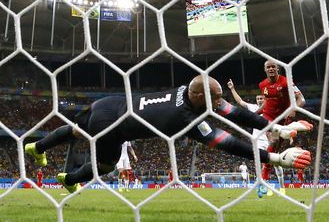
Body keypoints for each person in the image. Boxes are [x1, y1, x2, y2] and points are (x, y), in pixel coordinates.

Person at [24, 75, 312, 194]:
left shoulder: (187, 93)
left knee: (75, 130)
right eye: (216, 99)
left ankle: (37, 147)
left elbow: (235, 113)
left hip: (111, 104)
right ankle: (70, 179)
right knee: (107, 166)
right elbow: (230, 143)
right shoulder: (183, 117)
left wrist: (276, 127)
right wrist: (275, 158)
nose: (220, 104)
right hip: (114, 125)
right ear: (200, 97)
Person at [227, 78, 287, 195]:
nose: (259, 100)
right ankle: (264, 187)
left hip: (271, 141)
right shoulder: (253, 108)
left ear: (265, 99)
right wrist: (232, 88)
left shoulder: (271, 109)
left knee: (277, 166)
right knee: (260, 166)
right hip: (258, 141)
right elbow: (240, 102)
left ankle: (282, 187)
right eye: (258, 99)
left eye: (261, 98)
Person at [257, 60, 307, 195]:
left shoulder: (287, 82)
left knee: (274, 151)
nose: (271, 69)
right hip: (268, 117)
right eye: (268, 67)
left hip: (284, 119)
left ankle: (265, 175)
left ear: (278, 69)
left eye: (273, 66)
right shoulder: (262, 85)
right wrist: (255, 114)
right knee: (273, 142)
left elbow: (301, 99)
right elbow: (266, 103)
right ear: (265, 69)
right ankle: (263, 181)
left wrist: (293, 109)